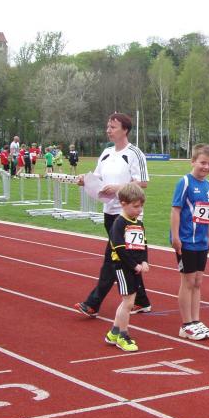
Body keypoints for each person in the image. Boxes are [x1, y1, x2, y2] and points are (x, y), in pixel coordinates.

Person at [74, 113, 151, 318]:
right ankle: (142, 301)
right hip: (109, 211)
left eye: (113, 127)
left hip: (128, 215)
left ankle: (93, 303)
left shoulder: (134, 153)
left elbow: (143, 182)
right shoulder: (106, 152)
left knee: (112, 258)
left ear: (125, 130)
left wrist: (119, 188)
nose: (108, 130)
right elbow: (97, 177)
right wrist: (85, 180)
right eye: (108, 126)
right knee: (126, 257)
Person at [170, 143, 209, 340]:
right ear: (193, 161)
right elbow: (176, 210)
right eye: (202, 163)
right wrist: (175, 236)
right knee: (188, 281)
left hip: (201, 241)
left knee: (198, 281)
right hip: (186, 241)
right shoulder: (185, 182)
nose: (206, 167)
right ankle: (186, 324)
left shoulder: (208, 185)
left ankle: (196, 321)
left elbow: (206, 214)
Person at [103, 183, 150, 352]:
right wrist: (134, 264)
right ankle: (123, 336)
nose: (139, 210)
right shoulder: (119, 223)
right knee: (128, 302)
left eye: (141, 206)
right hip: (123, 267)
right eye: (135, 206)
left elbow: (143, 244)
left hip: (135, 267)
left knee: (128, 302)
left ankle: (114, 332)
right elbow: (119, 248)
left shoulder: (138, 223)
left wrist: (144, 261)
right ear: (123, 204)